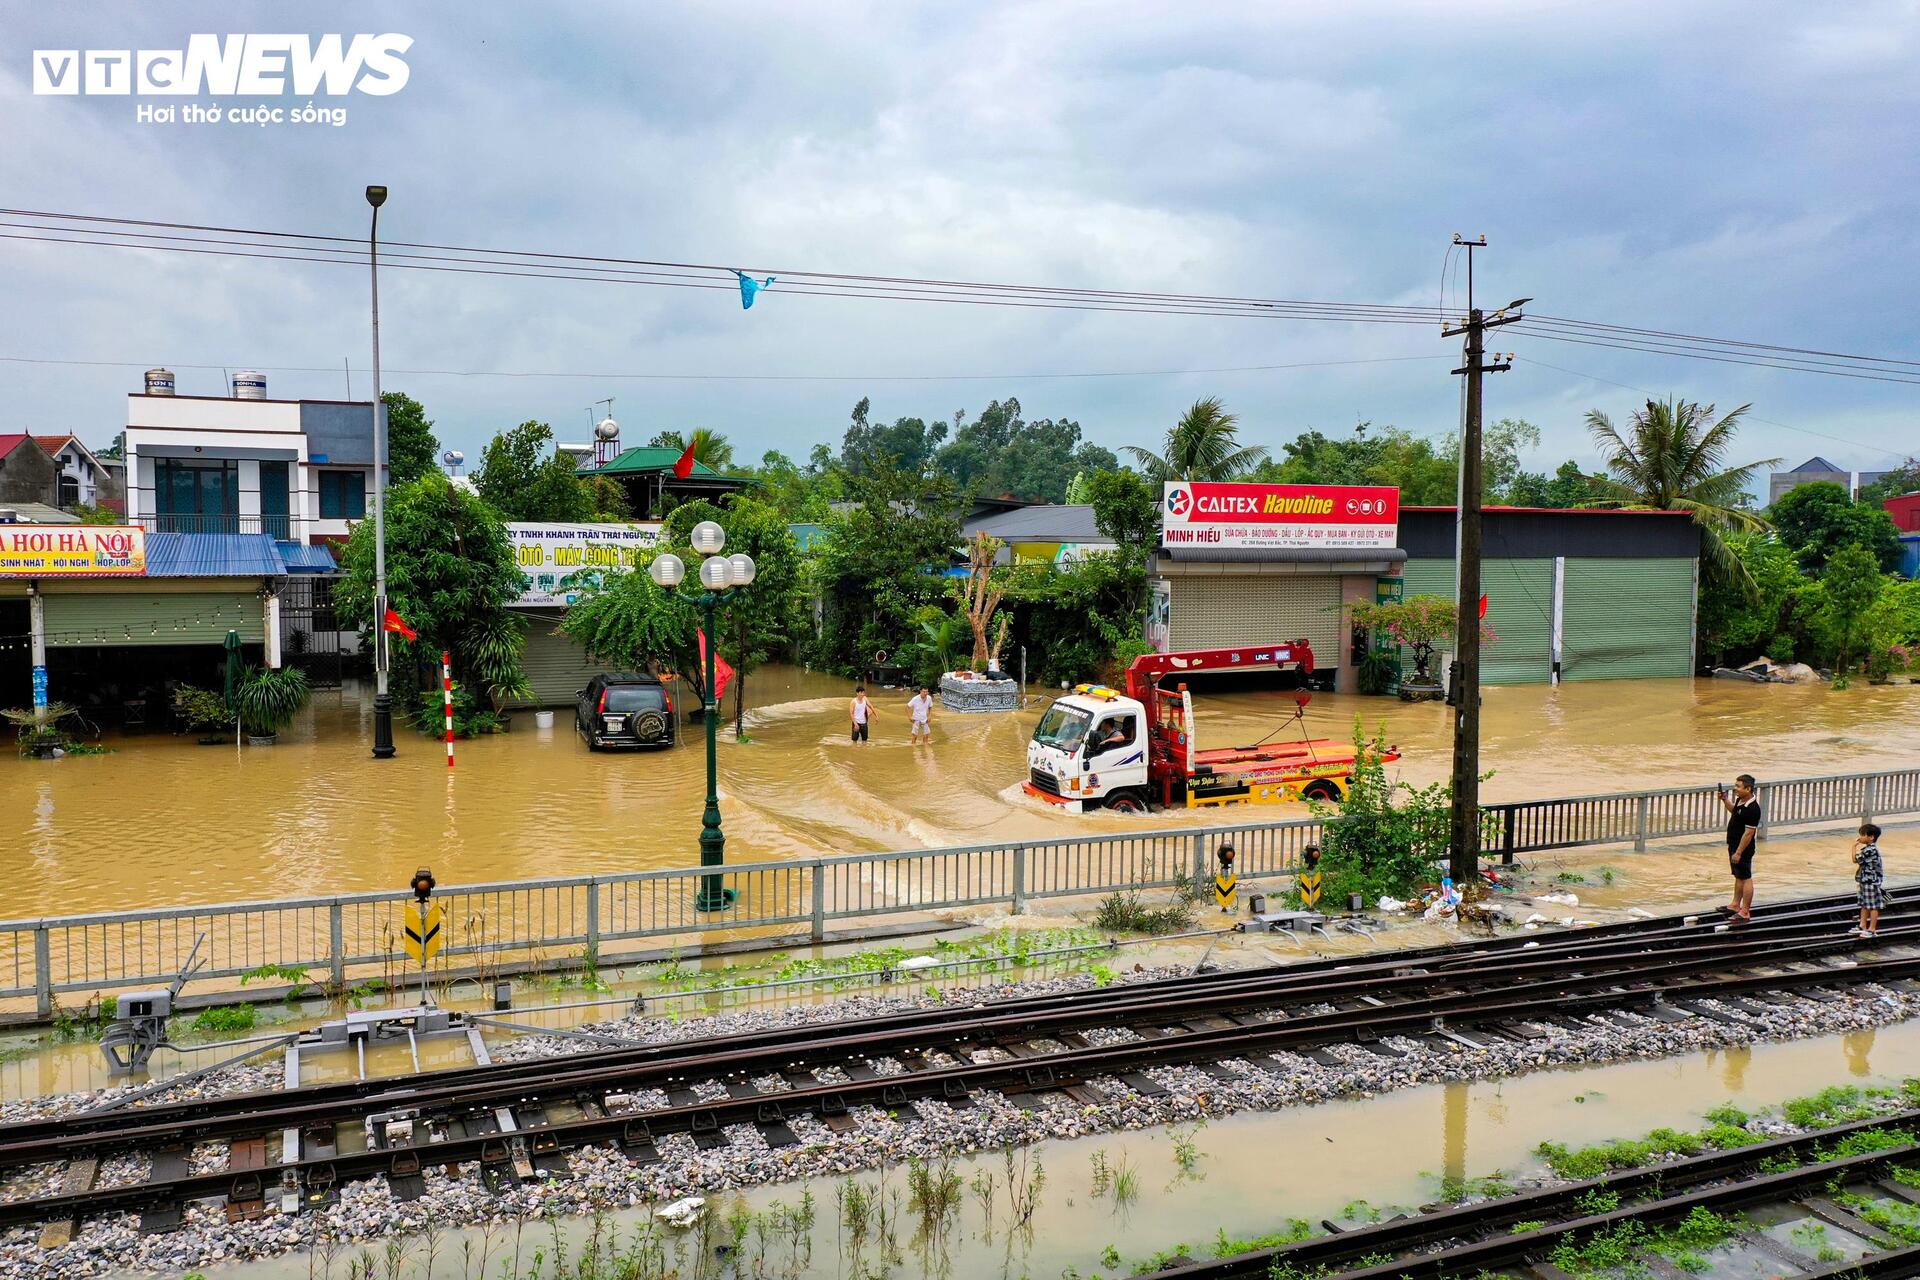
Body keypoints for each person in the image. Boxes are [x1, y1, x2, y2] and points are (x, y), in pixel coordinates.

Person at [1717, 774, 1761, 922]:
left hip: (1743, 848)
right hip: (1734, 844)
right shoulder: (1740, 801)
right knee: (1738, 875)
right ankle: (1735, 904)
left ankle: (1745, 911)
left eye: (1738, 786)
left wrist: (1738, 852)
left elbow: (1749, 833)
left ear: (1748, 788)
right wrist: (1725, 800)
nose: (1735, 789)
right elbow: (1734, 811)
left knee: (1746, 877)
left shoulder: (1753, 808)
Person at [1850, 823, 1885, 939]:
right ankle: (1862, 925)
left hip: (1871, 881)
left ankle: (1872, 929)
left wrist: (1854, 847)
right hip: (1865, 880)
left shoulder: (1870, 850)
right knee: (1864, 904)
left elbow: (1855, 860)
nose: (1861, 837)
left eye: (1863, 835)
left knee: (1873, 905)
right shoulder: (1868, 849)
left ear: (1871, 837)